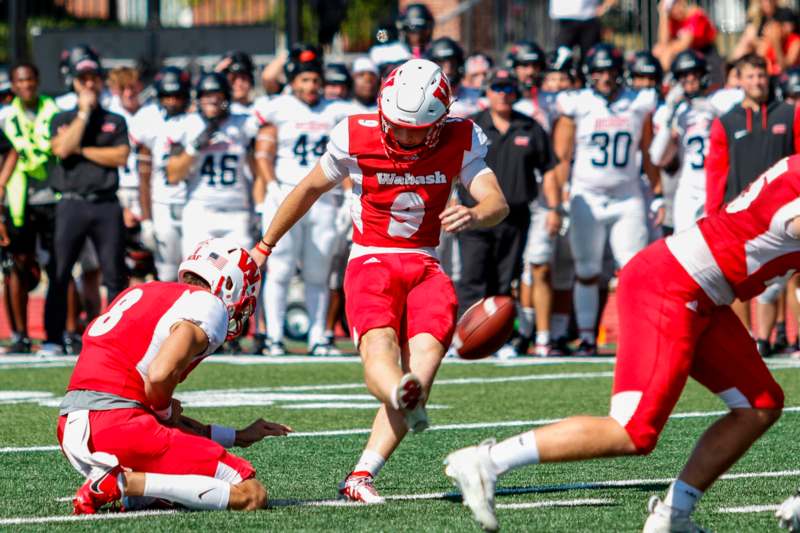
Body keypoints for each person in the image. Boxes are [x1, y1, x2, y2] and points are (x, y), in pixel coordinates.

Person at [445, 154, 793, 533]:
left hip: (701, 291)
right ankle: (487, 461)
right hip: (672, 285)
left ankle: (672, 516)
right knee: (632, 430)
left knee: (760, 405)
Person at [250, 58, 508, 502]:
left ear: (441, 120)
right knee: (380, 347)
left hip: (426, 263)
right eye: (398, 125)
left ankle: (361, 473)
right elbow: (308, 189)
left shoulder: (461, 137)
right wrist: (264, 246)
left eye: (417, 128)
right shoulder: (357, 133)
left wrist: (474, 212)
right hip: (372, 258)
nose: (406, 135)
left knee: (424, 364)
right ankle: (398, 391)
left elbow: (496, 201)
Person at [56, 238, 291, 514]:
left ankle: (136, 488)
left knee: (165, 443)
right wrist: (165, 411)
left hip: (74, 424)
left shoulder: (144, 292)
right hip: (118, 426)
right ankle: (121, 483)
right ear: (230, 286)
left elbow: (151, 403)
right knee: (251, 494)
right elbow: (158, 377)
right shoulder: (208, 305)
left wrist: (235, 435)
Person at [552, 42, 661, 356]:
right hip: (587, 194)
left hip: (627, 197)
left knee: (633, 271)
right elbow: (562, 156)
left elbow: (648, 152)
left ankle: (636, 334)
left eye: (609, 71)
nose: (604, 77)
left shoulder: (638, 103)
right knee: (586, 270)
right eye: (598, 71)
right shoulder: (578, 104)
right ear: (589, 73)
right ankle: (587, 337)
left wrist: (656, 194)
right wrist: (561, 196)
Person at [252, 44, 356, 356]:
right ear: (293, 81)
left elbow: (349, 152)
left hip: (326, 197)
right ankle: (273, 337)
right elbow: (260, 146)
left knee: (318, 271)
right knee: (280, 268)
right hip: (285, 192)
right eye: (304, 80)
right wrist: (269, 186)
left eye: (314, 80)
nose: (310, 86)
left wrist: (350, 192)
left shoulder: (336, 109)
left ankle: (318, 336)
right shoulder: (277, 106)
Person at [457, 69, 560, 357]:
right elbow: (452, 167)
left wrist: (554, 208)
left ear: (516, 92)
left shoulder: (530, 127)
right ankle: (464, 338)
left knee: (506, 279)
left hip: (515, 215)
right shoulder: (472, 127)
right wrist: (451, 200)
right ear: (486, 92)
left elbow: (549, 170)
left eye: (508, 88)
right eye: (497, 87)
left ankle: (499, 340)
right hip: (475, 214)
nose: (503, 93)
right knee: (473, 276)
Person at [705, 53, 800, 355]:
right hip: (740, 215)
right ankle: (747, 341)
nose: (758, 82)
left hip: (784, 212)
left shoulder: (789, 113)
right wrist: (713, 213)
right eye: (751, 76)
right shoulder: (725, 122)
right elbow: (717, 170)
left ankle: (782, 340)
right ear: (739, 80)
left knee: (785, 278)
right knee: (739, 281)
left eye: (761, 75)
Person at [47, 52, 130, 356]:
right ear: (75, 82)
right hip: (71, 203)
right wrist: (82, 115)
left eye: (93, 78)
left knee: (114, 275)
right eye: (83, 79)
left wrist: (83, 148)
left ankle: (121, 339)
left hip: (105, 203)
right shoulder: (63, 117)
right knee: (60, 270)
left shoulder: (115, 119)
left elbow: (120, 156)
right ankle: (53, 338)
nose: (89, 84)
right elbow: (63, 150)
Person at [166, 72, 258, 258]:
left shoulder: (244, 124)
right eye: (207, 96)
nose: (212, 100)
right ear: (199, 98)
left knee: (241, 279)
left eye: (217, 95)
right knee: (196, 276)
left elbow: (258, 170)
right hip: (200, 210)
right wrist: (195, 147)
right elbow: (173, 175)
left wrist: (260, 207)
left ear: (227, 97)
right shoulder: (187, 125)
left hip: (237, 211)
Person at [0, 63, 58, 353]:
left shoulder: (55, 110)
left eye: (30, 80)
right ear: (13, 85)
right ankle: (20, 335)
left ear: (37, 81)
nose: (26, 85)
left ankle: (60, 333)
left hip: (52, 197)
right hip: (18, 200)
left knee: (58, 266)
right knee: (16, 267)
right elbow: (7, 154)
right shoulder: (5, 117)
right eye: (19, 81)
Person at [131, 65, 192, 282]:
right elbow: (144, 178)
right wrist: (147, 220)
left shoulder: (196, 121)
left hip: (194, 204)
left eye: (177, 95)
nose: (172, 101)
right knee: (166, 271)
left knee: (195, 272)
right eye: (167, 96)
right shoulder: (149, 123)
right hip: (163, 204)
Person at [650, 50, 715, 233]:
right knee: (683, 246)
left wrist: (711, 109)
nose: (690, 79)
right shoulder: (673, 112)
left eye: (695, 73)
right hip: (689, 187)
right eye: (684, 76)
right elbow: (656, 157)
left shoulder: (718, 102)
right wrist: (670, 116)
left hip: (716, 186)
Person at [653, 0, 719, 83]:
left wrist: (668, 49)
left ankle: (662, 81)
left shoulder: (696, 15)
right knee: (658, 50)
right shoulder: (673, 20)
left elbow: (684, 44)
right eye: (670, 8)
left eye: (676, 4)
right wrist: (663, 15)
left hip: (706, 55)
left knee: (666, 53)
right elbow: (663, 42)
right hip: (688, 55)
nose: (674, 10)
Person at [549, 0, 618, 60]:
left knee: (589, 59)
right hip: (562, 18)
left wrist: (604, 7)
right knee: (560, 59)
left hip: (589, 18)